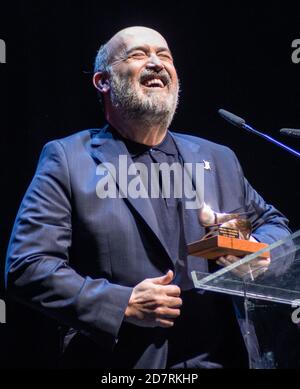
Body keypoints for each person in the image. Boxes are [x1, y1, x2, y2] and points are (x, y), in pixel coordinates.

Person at [5, 26, 290, 369]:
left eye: (164, 55)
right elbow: (27, 266)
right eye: (138, 54)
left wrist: (258, 251)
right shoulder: (68, 159)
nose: (156, 62)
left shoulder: (218, 158)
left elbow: (274, 226)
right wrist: (120, 303)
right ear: (103, 81)